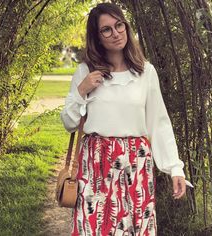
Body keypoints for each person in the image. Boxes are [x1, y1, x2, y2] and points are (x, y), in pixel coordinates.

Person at [61, 2, 193, 235]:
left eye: (119, 25)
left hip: (136, 166)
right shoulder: (86, 71)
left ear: (126, 26)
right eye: (106, 29)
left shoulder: (145, 72)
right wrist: (82, 89)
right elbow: (69, 123)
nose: (116, 33)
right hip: (95, 166)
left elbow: (159, 123)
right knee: (92, 228)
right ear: (97, 37)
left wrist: (175, 168)